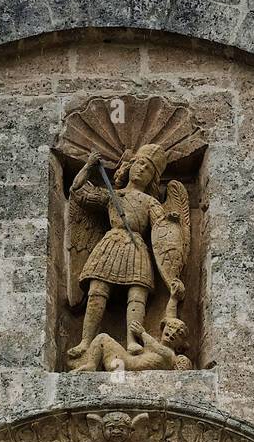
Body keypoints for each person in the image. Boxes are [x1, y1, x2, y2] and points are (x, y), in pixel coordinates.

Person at [67, 145, 169, 360]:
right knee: (97, 290)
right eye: (139, 163)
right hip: (112, 243)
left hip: (136, 247)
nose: (142, 169)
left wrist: (171, 224)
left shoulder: (151, 202)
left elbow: (163, 230)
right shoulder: (113, 196)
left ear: (152, 178)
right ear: (130, 166)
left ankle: (133, 340)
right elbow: (79, 193)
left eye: (148, 168)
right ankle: (85, 341)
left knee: (137, 293)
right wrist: (88, 166)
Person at [72, 317, 191, 373]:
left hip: (124, 365)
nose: (173, 332)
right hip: (123, 362)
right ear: (164, 328)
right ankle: (90, 365)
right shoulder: (157, 350)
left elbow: (156, 346)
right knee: (103, 338)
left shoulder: (170, 355)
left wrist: (142, 333)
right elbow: (170, 316)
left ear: (180, 347)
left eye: (179, 334)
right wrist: (173, 298)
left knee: (103, 337)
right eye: (170, 327)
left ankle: (89, 365)